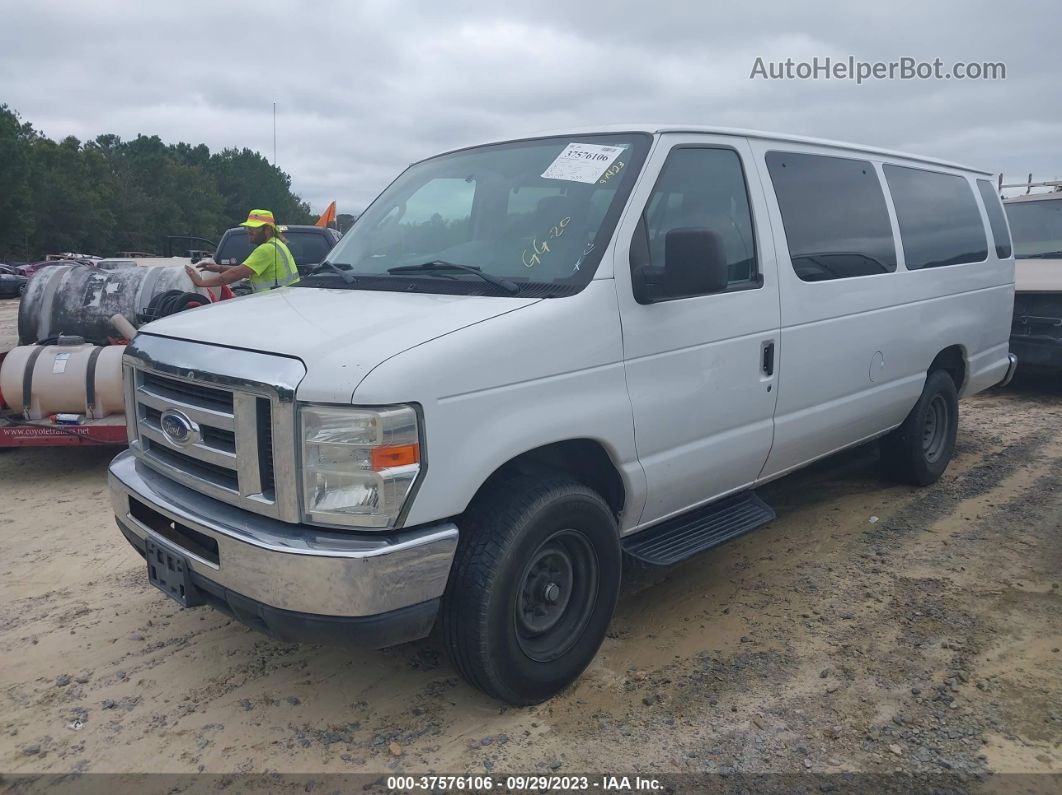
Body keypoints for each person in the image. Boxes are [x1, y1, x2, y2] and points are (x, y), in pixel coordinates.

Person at [185, 209, 299, 292]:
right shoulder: (277, 244)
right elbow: (246, 270)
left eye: (254, 228)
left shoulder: (266, 249)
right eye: (248, 227)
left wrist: (201, 282)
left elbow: (235, 274)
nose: (249, 231)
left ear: (268, 229)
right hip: (281, 300)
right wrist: (219, 268)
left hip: (271, 303)